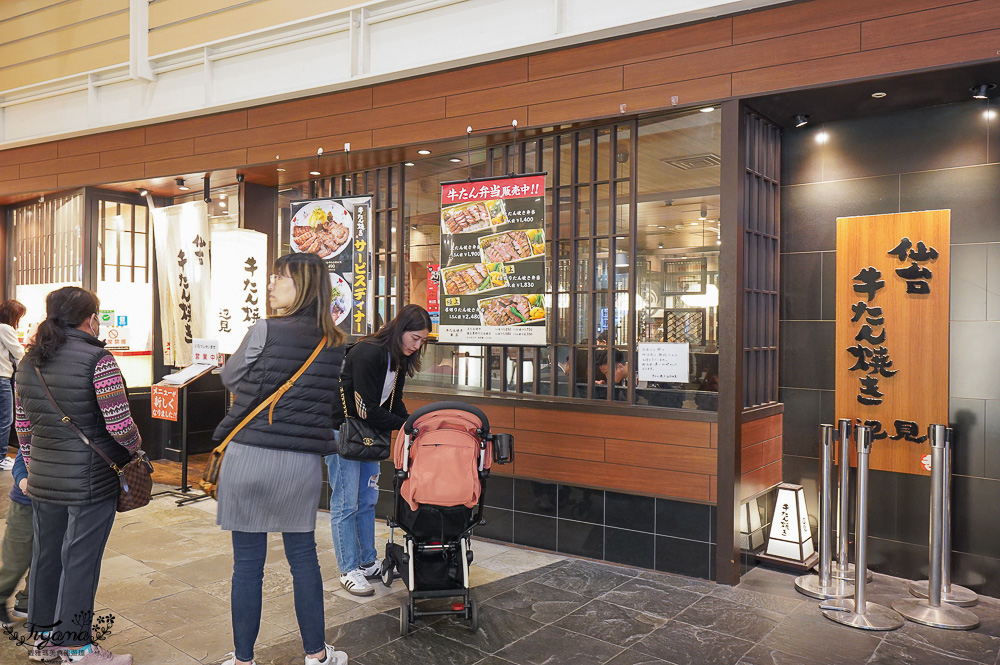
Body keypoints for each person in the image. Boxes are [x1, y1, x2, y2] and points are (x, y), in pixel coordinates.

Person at [213, 252, 348, 665]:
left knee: (247, 566)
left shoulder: (265, 329)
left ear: (303, 285)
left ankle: (242, 659)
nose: (271, 285)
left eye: (280, 279)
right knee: (303, 558)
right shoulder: (336, 342)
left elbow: (230, 376)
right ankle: (317, 655)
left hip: (248, 455)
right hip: (300, 463)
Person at [14, 287, 143, 665]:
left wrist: (33, 463)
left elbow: (23, 426)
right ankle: (78, 648)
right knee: (80, 560)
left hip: (43, 478)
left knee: (46, 556)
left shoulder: (28, 361)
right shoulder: (98, 360)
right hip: (91, 479)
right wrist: (137, 449)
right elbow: (120, 426)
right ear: (91, 318)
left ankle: (44, 640)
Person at [327, 304, 430, 597]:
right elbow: (366, 409)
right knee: (346, 503)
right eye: (415, 338)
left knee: (367, 499)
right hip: (344, 433)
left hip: (368, 435)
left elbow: (393, 403)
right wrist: (404, 426)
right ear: (400, 330)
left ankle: (367, 561)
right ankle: (348, 569)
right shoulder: (369, 352)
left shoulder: (396, 358)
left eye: (423, 340)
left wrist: (411, 424)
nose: (418, 345)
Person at [0, 449, 31, 627]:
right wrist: (23, 482)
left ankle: (27, 601)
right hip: (25, 504)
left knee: (45, 560)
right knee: (16, 560)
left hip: (55, 507)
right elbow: (20, 461)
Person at [0, 299, 26, 469]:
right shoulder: (5, 328)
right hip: (2, 377)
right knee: (5, 418)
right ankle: (1, 457)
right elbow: (19, 352)